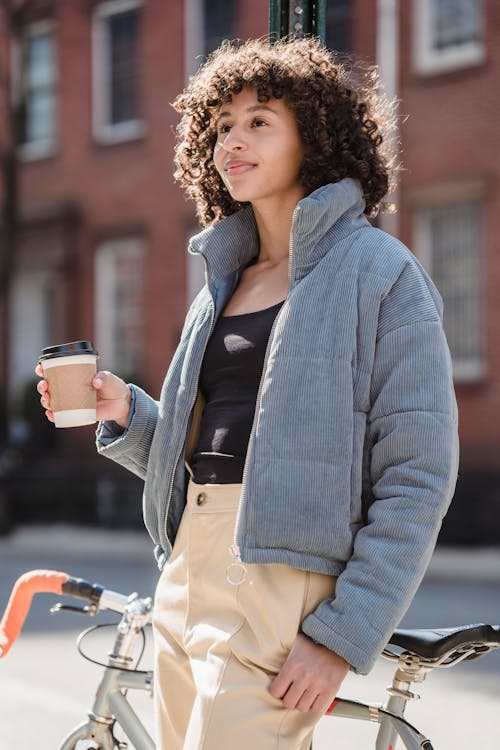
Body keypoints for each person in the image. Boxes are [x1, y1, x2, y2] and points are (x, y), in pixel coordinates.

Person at [37, 37, 459, 750]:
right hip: (188, 570)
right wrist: (133, 416)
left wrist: (341, 634)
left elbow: (418, 475)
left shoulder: (380, 273)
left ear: (316, 139)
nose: (233, 139)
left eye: (259, 121)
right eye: (222, 125)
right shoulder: (224, 280)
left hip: (278, 588)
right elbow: (230, 459)